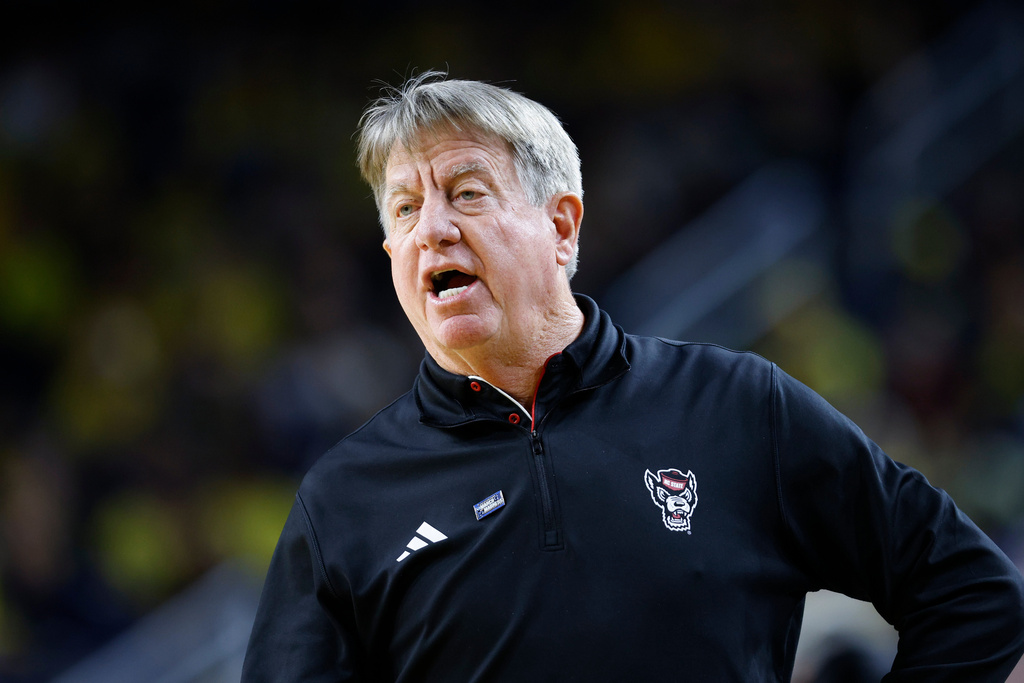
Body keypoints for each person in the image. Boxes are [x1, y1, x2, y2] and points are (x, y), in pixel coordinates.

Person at [241, 71, 1024, 682]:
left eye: (466, 192)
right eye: (405, 210)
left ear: (560, 224)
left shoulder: (739, 407)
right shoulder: (345, 501)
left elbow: (973, 592)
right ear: (391, 259)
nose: (432, 228)